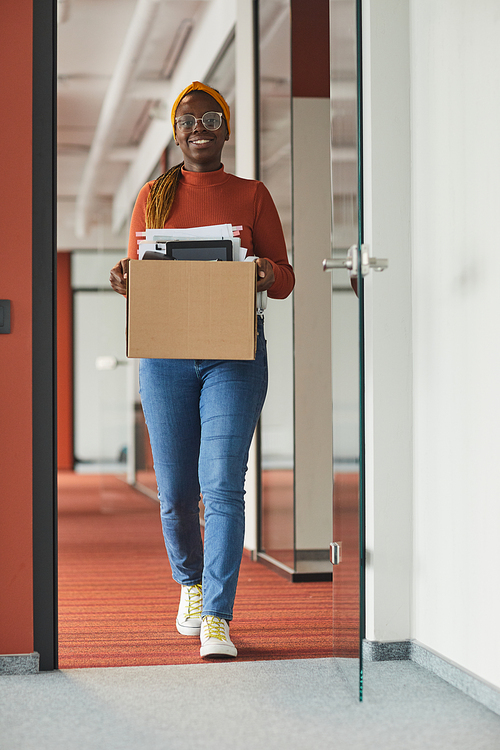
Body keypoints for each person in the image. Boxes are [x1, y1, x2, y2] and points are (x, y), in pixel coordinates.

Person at [110, 81, 294, 659]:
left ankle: (217, 616)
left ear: (226, 128)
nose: (198, 128)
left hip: (233, 354)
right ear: (176, 130)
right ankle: (189, 585)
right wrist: (124, 281)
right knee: (174, 492)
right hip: (165, 357)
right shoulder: (154, 196)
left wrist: (263, 269)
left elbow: (286, 278)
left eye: (210, 118)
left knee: (221, 486)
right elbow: (143, 279)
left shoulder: (252, 194)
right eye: (187, 120)